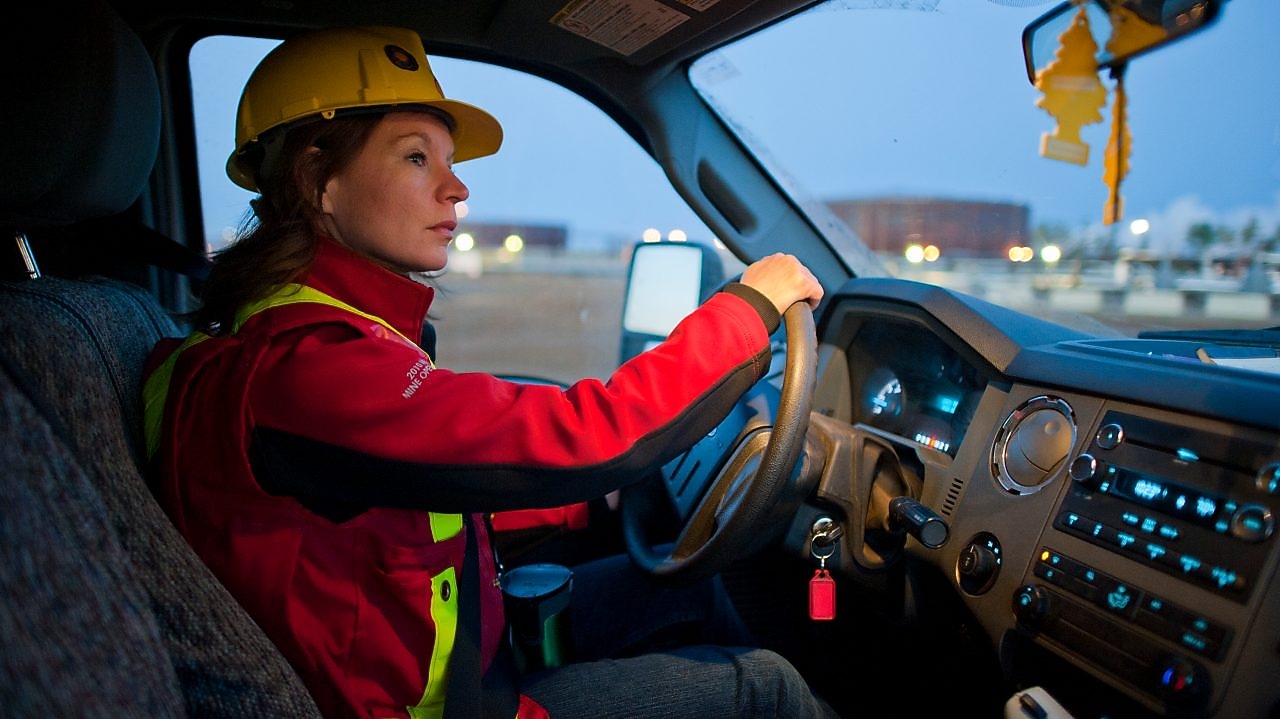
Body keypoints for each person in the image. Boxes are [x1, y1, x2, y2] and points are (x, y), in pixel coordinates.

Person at [142, 24, 836, 719]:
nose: (456, 186)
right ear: (317, 179)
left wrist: (586, 501)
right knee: (764, 688)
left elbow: (407, 499)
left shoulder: (310, 339)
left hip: (453, 650)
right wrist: (748, 306)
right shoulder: (307, 369)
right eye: (418, 158)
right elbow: (586, 433)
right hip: (448, 701)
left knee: (690, 589)